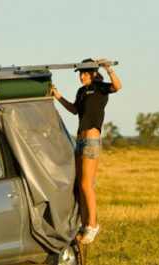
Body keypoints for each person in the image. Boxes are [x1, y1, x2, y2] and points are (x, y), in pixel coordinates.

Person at [51, 58, 122, 244]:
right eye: (80, 74)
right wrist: (58, 97)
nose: (81, 77)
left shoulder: (100, 88)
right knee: (79, 185)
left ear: (93, 73)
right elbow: (75, 110)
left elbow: (118, 86)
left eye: (84, 73)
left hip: (91, 140)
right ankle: (84, 225)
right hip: (80, 141)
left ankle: (93, 225)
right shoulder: (81, 91)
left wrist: (108, 69)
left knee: (86, 185)